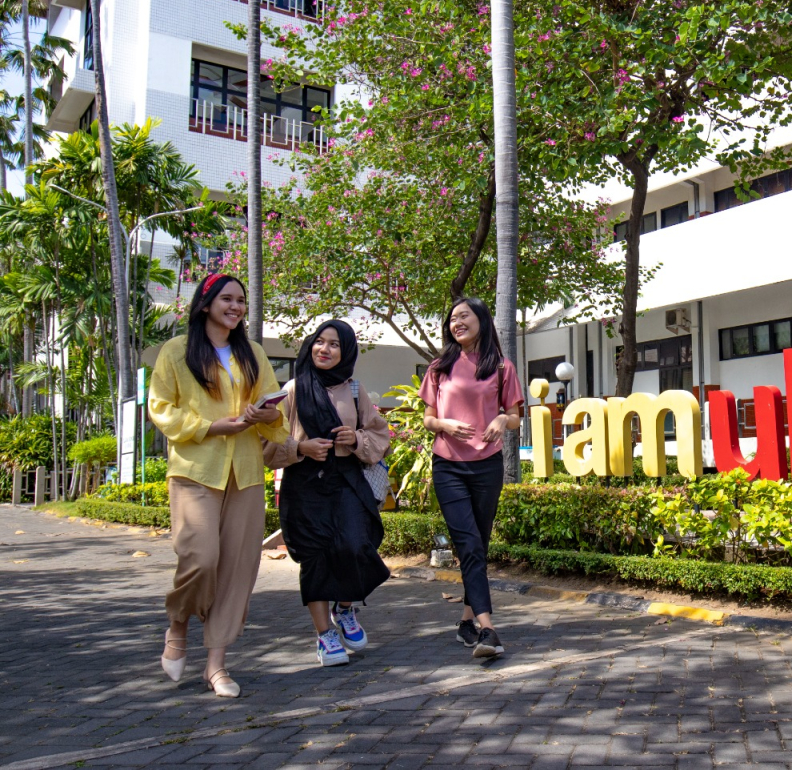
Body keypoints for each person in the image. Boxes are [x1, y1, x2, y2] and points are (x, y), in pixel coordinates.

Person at [148, 273, 288, 698]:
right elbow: (162, 410)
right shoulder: (176, 352)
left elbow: (274, 404)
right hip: (196, 470)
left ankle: (216, 665)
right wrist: (212, 426)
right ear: (205, 303)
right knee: (201, 558)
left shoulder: (253, 353)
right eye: (226, 299)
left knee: (237, 570)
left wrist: (266, 416)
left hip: (245, 472)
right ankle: (178, 624)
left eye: (241, 300)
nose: (236, 306)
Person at [263, 319, 392, 667]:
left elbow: (380, 434)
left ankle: (345, 608)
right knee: (315, 557)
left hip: (348, 481)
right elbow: (267, 443)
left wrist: (356, 440)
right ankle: (325, 635)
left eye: (334, 344)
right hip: (305, 485)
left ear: (345, 351)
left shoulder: (354, 390)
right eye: (320, 341)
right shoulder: (292, 389)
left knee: (356, 545)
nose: (325, 349)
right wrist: (300, 449)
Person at [420, 297, 523, 658]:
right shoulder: (439, 366)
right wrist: (443, 424)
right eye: (452, 319)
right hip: (448, 465)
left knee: (478, 543)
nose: (456, 322)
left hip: (487, 466)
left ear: (482, 319)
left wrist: (500, 420)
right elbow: (427, 419)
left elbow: (513, 415)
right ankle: (489, 630)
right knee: (468, 543)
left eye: (464, 316)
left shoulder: (502, 366)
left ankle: (466, 620)